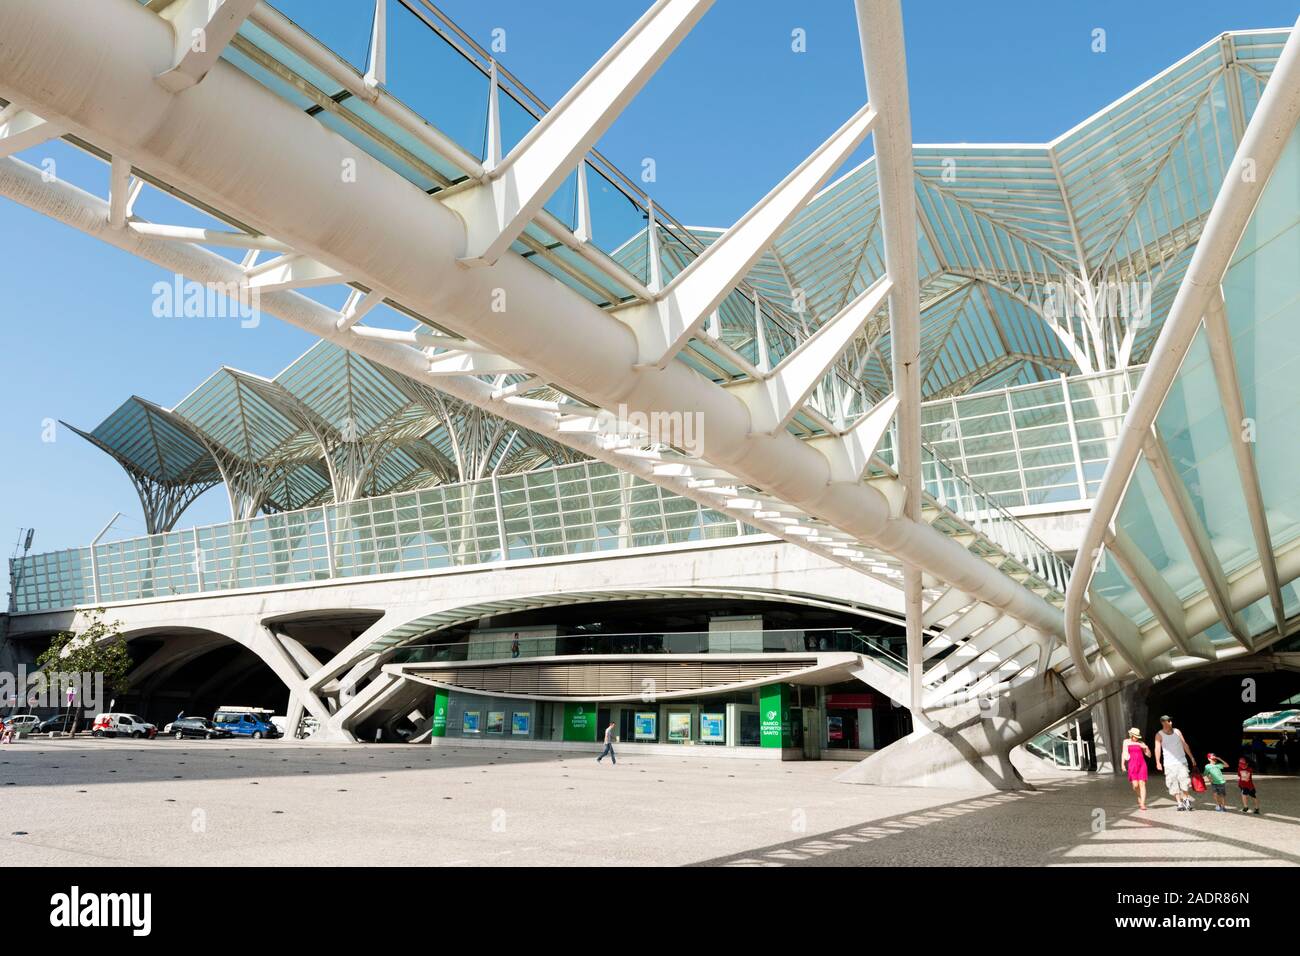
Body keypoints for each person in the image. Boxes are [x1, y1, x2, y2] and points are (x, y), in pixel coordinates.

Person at [1154, 714, 1196, 810]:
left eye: (1170, 720)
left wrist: (1191, 757)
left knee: (1184, 781)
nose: (1170, 722)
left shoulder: (1177, 731)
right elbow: (1157, 749)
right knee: (1172, 783)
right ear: (1162, 723)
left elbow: (1184, 744)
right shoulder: (1159, 734)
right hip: (1169, 763)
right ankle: (1179, 802)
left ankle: (1186, 799)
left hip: (1181, 761)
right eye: (1167, 721)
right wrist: (1157, 762)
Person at [1121, 727, 1151, 811]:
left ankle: (1142, 803)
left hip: (1142, 765)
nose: (1136, 738)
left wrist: (1146, 748)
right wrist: (1122, 764)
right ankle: (1139, 796)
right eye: (1135, 736)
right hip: (1132, 765)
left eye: (1137, 736)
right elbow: (1123, 753)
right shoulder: (1126, 742)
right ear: (1131, 735)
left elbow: (1149, 755)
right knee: (1135, 785)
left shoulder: (1141, 743)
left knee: (1142, 784)